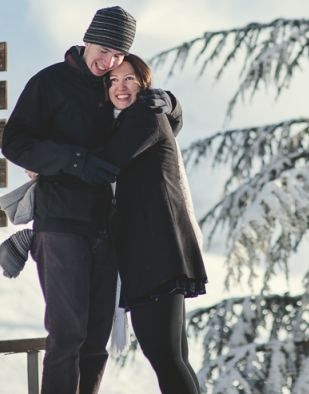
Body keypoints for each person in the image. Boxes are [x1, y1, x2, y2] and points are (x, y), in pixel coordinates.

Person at [1, 6, 181, 394]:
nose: (109, 61)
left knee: (96, 340)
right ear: (87, 39)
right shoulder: (49, 83)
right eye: (104, 49)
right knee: (68, 334)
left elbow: (153, 126)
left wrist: (171, 103)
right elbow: (14, 143)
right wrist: (75, 161)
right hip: (62, 224)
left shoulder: (112, 85)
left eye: (118, 56)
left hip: (108, 231)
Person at [97, 54, 206, 394]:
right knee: (175, 358)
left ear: (144, 83)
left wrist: (48, 164)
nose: (120, 87)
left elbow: (106, 163)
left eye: (128, 78)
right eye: (113, 81)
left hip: (155, 254)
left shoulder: (144, 115)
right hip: (154, 252)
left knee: (166, 358)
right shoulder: (129, 121)